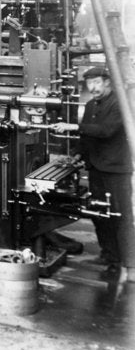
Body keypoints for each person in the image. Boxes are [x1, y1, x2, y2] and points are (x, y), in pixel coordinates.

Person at [51, 66, 134, 281]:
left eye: (97, 82)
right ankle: (108, 256)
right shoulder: (89, 106)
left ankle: (128, 263)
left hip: (116, 170)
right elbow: (88, 139)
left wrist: (72, 126)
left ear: (107, 82)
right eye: (89, 83)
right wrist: (77, 155)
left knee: (119, 216)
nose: (93, 87)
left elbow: (106, 131)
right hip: (96, 168)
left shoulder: (120, 105)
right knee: (99, 215)